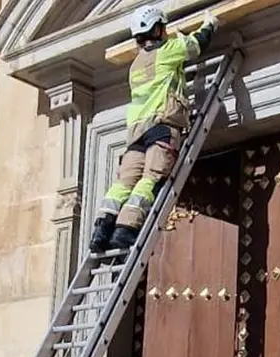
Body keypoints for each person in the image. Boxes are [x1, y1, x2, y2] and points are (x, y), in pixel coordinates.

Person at [89, 5, 220, 253]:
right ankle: (126, 230)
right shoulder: (167, 51)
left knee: (123, 183)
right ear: (158, 29)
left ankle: (101, 230)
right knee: (152, 178)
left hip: (136, 133)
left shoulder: (136, 65)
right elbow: (195, 45)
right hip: (162, 126)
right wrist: (210, 24)